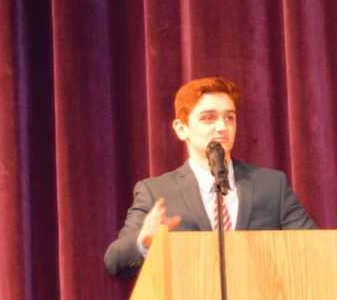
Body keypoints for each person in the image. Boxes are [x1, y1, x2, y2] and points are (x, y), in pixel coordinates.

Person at [104, 76, 316, 278]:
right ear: (181, 129)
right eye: (208, 118)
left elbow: (314, 248)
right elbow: (115, 261)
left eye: (229, 117)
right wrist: (144, 243)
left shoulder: (270, 185)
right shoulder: (156, 192)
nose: (222, 127)